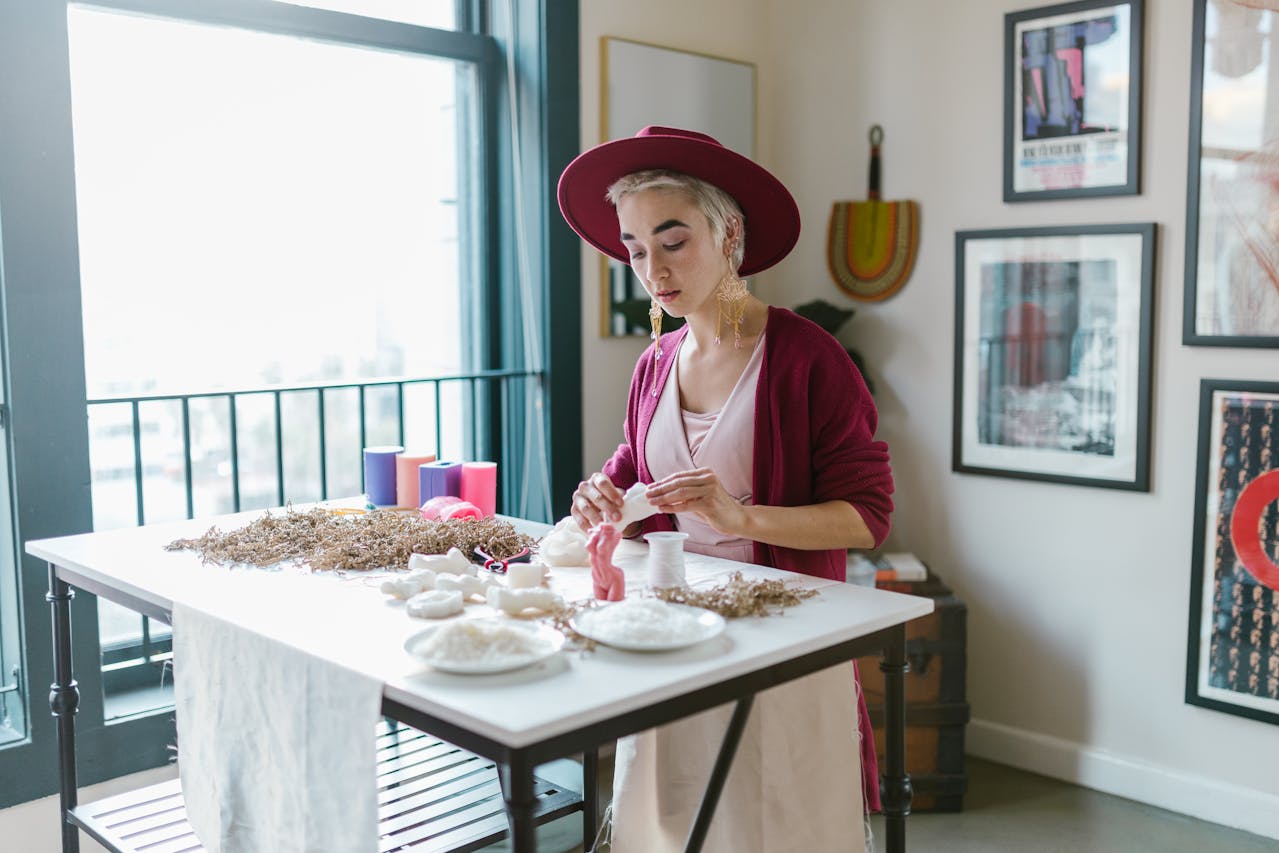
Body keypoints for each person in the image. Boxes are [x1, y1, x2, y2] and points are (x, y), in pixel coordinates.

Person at [557, 125, 894, 853]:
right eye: (635, 249)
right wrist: (601, 491)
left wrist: (738, 513)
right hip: (673, 638)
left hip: (783, 643)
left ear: (728, 231)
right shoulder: (655, 362)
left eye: (672, 240)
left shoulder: (807, 357)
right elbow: (636, 466)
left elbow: (866, 518)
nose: (651, 268)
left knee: (775, 825)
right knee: (672, 825)